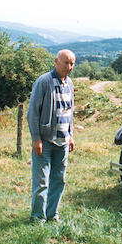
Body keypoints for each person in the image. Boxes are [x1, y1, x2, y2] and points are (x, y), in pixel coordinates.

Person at [27, 49, 76, 223]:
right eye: (66, 62)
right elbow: (33, 112)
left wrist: (70, 135)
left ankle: (52, 215)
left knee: (59, 180)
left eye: (72, 64)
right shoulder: (44, 82)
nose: (69, 67)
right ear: (56, 61)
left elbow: (69, 111)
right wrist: (36, 138)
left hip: (62, 142)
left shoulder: (69, 83)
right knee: (41, 182)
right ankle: (37, 219)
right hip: (45, 141)